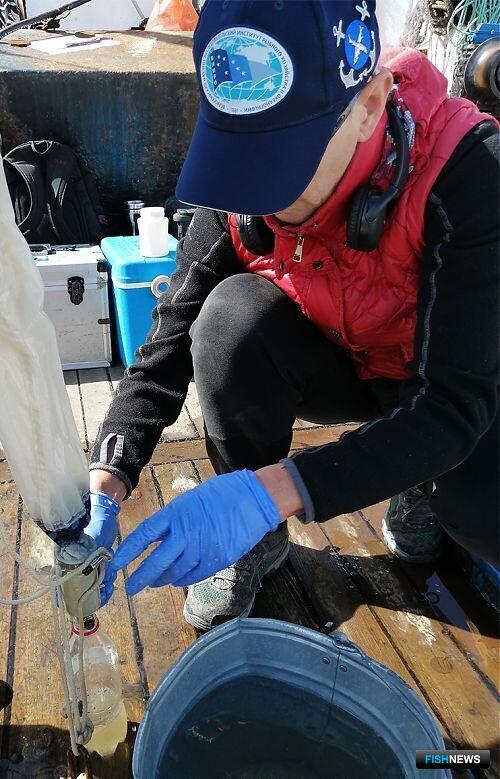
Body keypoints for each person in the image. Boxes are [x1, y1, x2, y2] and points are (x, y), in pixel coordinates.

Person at [85, 0, 499, 632]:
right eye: (240, 153)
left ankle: (424, 483)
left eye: (286, 155)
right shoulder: (240, 194)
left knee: (482, 513)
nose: (257, 191)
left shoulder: (472, 172)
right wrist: (108, 472)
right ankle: (256, 539)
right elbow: (165, 345)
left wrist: (269, 492)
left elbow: (453, 404)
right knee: (227, 321)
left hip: (453, 382)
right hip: (351, 360)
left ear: (369, 105)